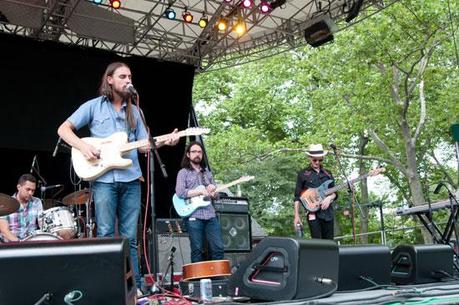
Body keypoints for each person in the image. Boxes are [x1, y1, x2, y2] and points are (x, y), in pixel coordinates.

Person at [57, 61, 179, 293]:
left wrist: (165, 141)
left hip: (131, 179)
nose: (128, 81)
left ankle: (136, 287)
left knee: (130, 238)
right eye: (123, 77)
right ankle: (106, 287)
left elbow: (145, 146)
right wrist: (83, 146)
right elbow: (63, 129)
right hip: (103, 180)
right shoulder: (93, 106)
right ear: (109, 79)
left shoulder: (136, 111)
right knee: (104, 234)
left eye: (130, 77)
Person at [175, 141, 224, 262]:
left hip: (210, 214)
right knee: (197, 249)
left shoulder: (207, 173)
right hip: (193, 215)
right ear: (188, 154)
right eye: (194, 151)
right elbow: (180, 192)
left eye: (199, 152)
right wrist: (200, 192)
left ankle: (218, 279)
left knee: (218, 248)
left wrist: (213, 193)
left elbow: (216, 196)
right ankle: (197, 280)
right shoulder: (183, 172)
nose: (197, 154)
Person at [293, 144, 337, 240]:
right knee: (317, 243)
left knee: (329, 243)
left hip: (328, 213)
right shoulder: (303, 174)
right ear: (310, 158)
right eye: (315, 160)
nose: (317, 162)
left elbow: (334, 193)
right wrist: (296, 216)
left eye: (320, 160)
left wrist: (329, 198)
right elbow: (297, 197)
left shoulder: (328, 173)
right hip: (313, 213)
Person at [0, 174, 43, 242]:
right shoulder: (6, 203)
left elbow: (42, 225)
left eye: (33, 190)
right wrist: (20, 244)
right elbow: (4, 231)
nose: (30, 193)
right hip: (12, 244)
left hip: (31, 243)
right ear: (19, 187)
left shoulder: (37, 202)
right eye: (28, 189)